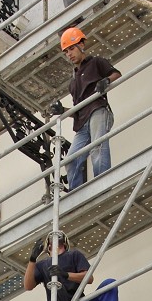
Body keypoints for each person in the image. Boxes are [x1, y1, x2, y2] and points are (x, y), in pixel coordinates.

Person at [60, 27, 121, 189]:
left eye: (72, 48)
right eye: (66, 52)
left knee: (97, 148)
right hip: (82, 123)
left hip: (98, 111)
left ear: (82, 45)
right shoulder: (73, 82)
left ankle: (102, 186)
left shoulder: (96, 62)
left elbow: (116, 74)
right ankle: (76, 195)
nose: (69, 54)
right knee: (70, 160)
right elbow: (77, 111)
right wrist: (63, 111)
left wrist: (106, 80)